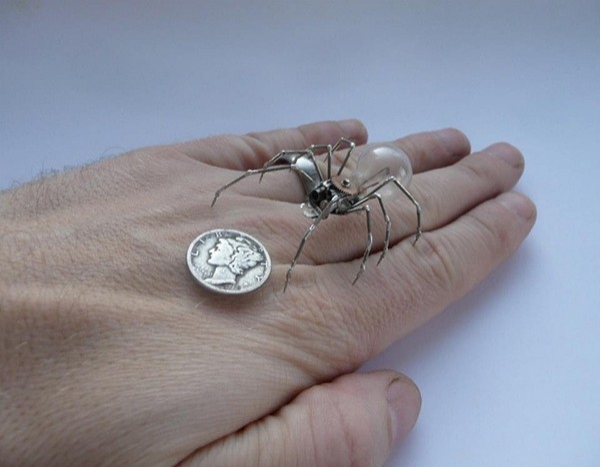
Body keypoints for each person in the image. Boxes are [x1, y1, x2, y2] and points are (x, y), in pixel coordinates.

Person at [0, 119, 536, 466]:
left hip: (364, 189)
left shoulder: (363, 199)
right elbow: (325, 155)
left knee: (373, 206)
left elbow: (382, 201)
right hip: (340, 184)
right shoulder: (322, 181)